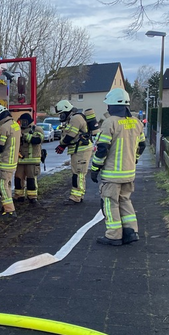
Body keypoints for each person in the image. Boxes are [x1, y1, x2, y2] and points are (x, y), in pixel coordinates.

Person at [89, 88, 147, 246]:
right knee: (125, 200)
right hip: (129, 173)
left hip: (112, 174)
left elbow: (102, 149)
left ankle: (113, 235)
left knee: (110, 202)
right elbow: (142, 145)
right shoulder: (136, 122)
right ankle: (131, 231)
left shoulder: (110, 122)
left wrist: (94, 168)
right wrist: (133, 160)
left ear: (112, 106)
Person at [54, 99, 94, 204]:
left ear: (66, 110)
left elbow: (71, 134)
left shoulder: (76, 118)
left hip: (81, 150)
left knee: (78, 173)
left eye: (61, 114)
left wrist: (62, 145)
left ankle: (76, 197)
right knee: (77, 172)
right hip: (78, 150)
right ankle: (78, 195)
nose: (61, 116)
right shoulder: (73, 118)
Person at [0, 103, 20, 216]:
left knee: (2, 186)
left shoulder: (4, 127)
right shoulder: (14, 125)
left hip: (5, 161)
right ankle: (5, 208)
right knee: (7, 185)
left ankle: (9, 211)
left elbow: (0, 146)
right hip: (13, 161)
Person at [14, 112, 44, 204]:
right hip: (20, 160)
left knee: (31, 179)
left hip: (32, 160)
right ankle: (19, 196)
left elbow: (38, 140)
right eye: (21, 121)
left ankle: (32, 197)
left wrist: (27, 136)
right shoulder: (18, 130)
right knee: (18, 179)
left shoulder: (37, 129)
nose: (22, 123)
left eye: (24, 121)